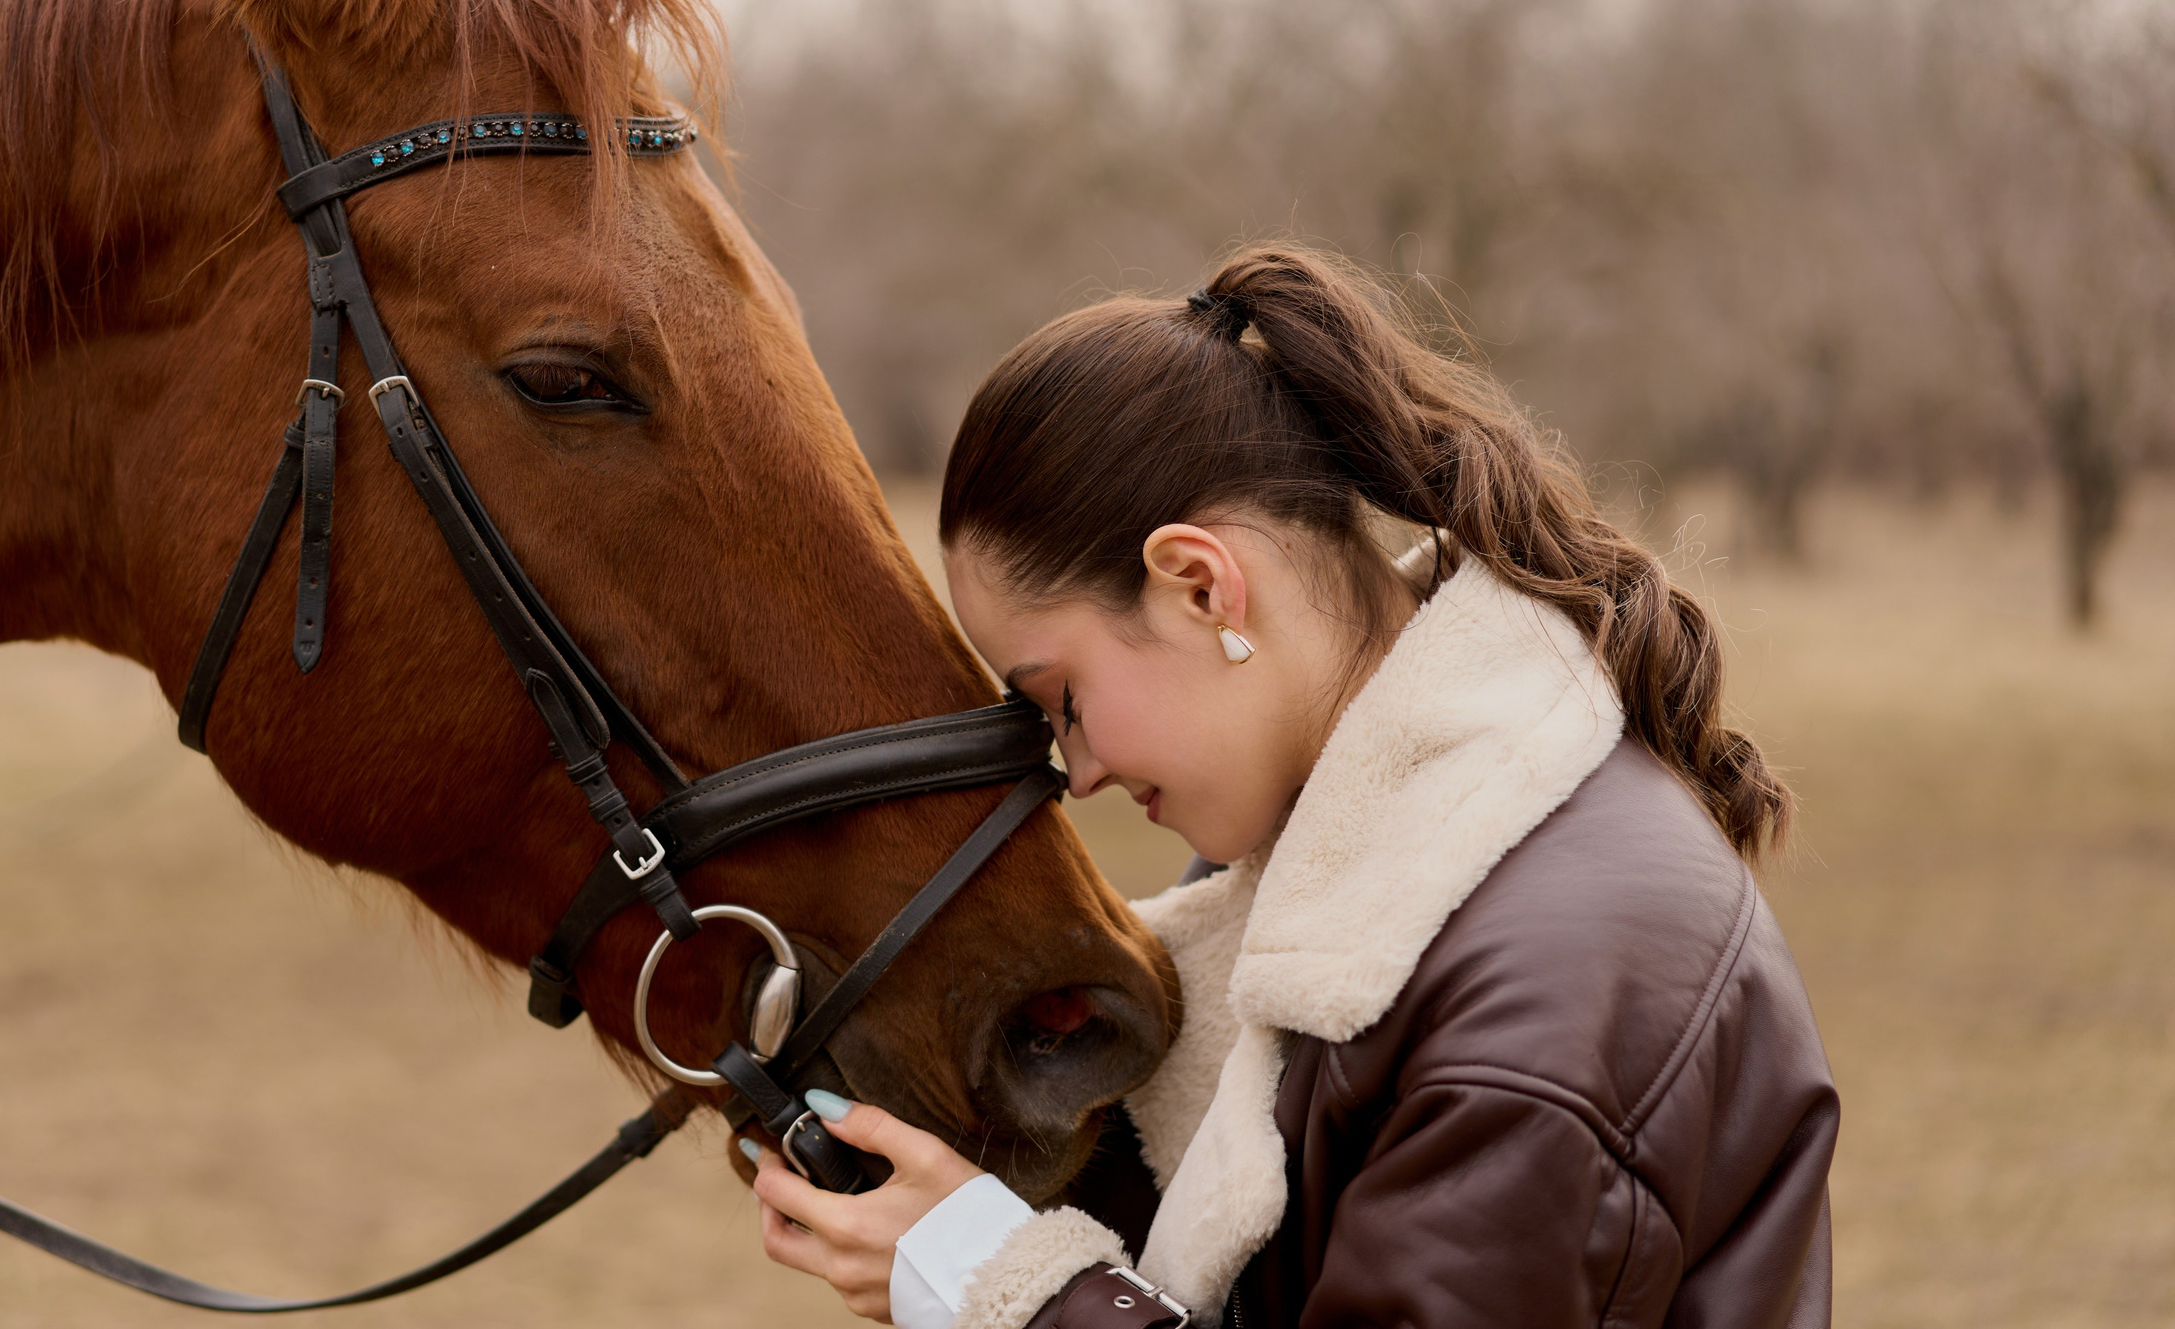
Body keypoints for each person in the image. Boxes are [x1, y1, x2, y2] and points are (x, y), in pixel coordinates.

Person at [741, 246, 1837, 1328]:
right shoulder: (1345, 866)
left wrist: (1001, 1286)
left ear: (1201, 585)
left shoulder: (1547, 992)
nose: (1075, 775)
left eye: (1062, 701)